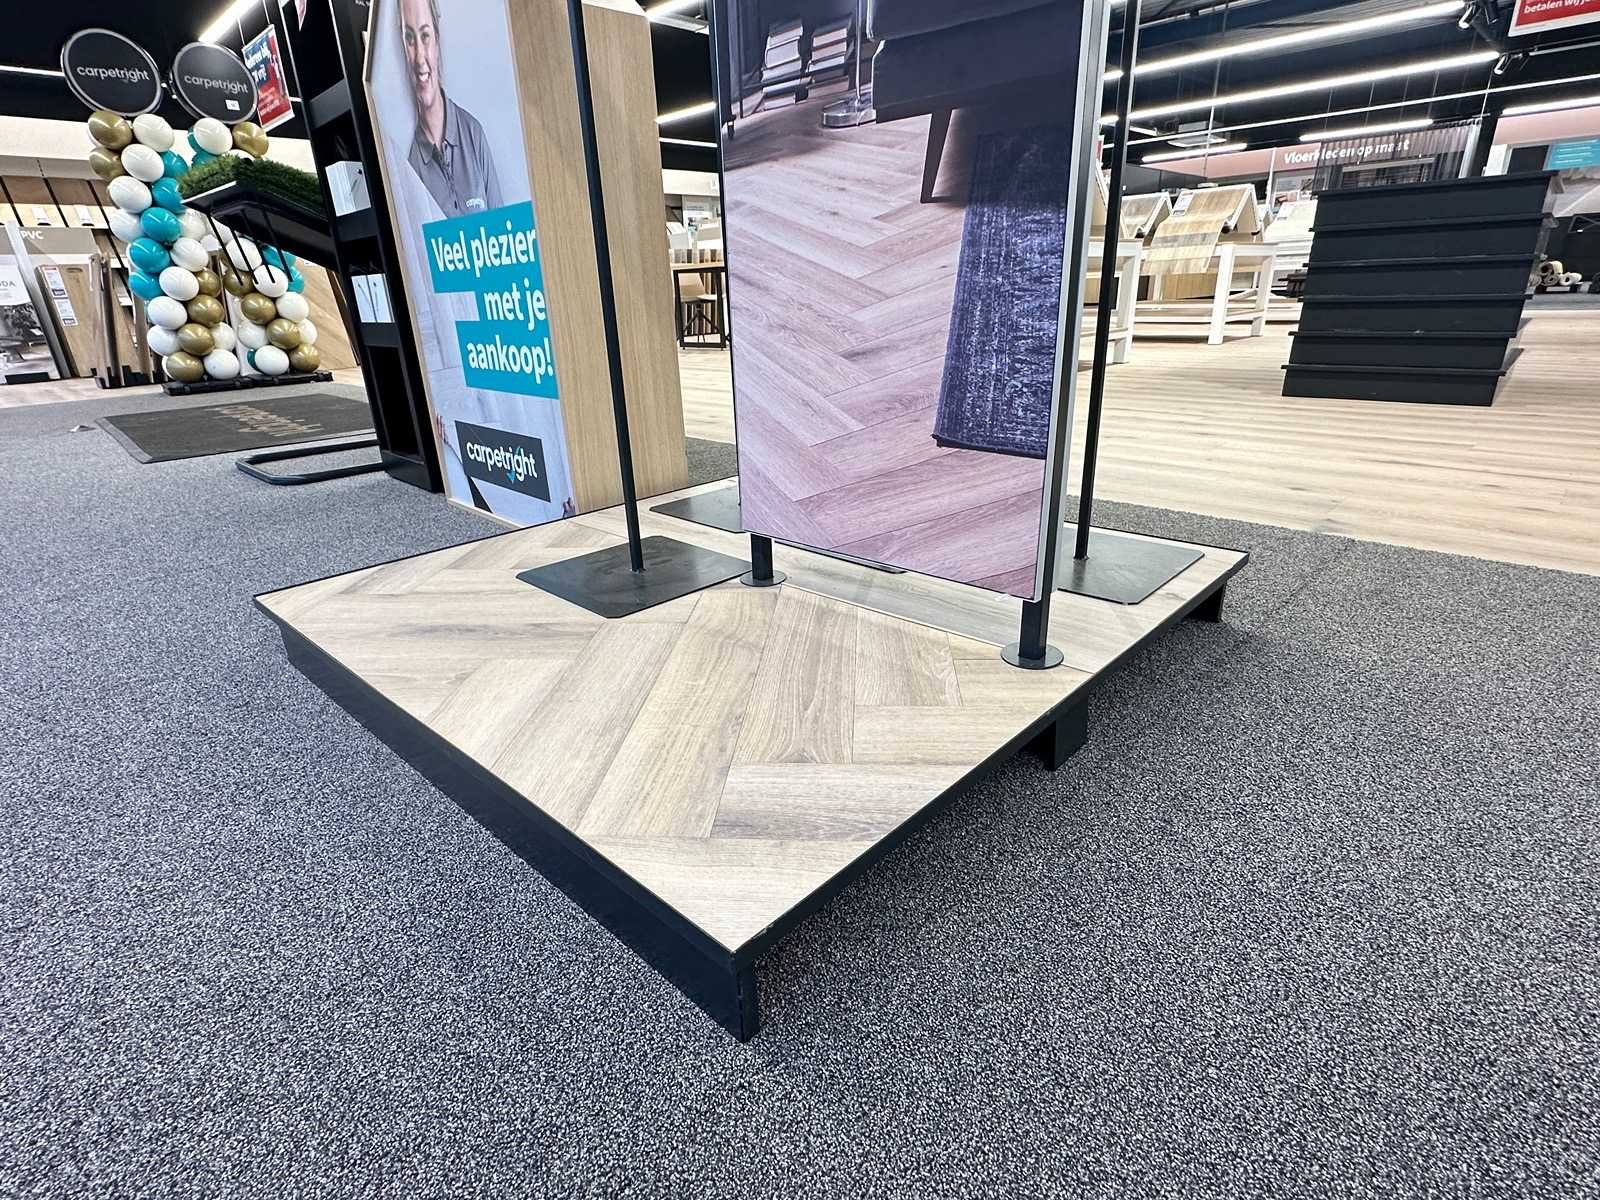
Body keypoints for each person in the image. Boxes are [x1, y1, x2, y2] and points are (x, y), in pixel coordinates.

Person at [401, 0, 504, 217]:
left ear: (437, 41)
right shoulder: (410, 165)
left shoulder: (473, 133)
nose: (419, 58)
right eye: (409, 38)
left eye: (425, 36)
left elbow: (502, 224)